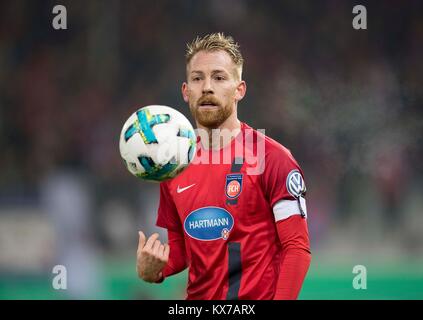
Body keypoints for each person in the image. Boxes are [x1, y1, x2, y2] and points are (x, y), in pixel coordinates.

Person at [136, 33, 311, 300]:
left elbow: (296, 248)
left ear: (239, 89)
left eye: (218, 77)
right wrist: (155, 270)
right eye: (197, 78)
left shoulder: (272, 158)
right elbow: (181, 251)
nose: (207, 87)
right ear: (186, 91)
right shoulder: (174, 164)